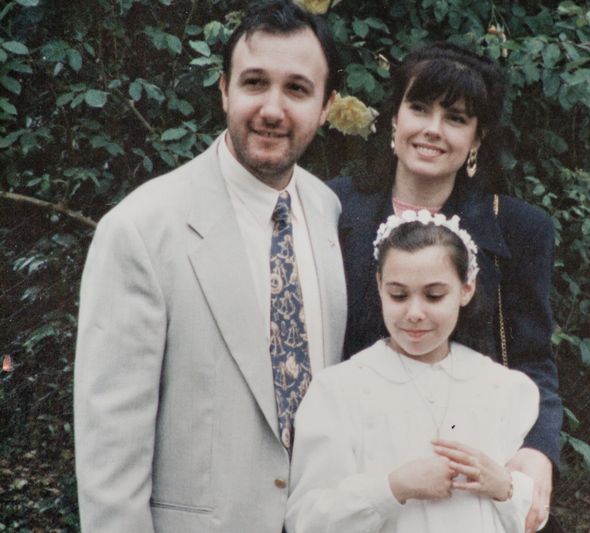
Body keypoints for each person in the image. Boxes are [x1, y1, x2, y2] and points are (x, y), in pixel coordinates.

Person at [73, 2, 346, 531]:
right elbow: (110, 457)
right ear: (224, 90)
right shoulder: (141, 231)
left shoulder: (326, 210)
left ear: (327, 105)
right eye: (254, 83)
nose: (272, 109)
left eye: (296, 89)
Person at [328, 41, 562, 532]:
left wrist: (538, 448)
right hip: (355, 464)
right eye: (418, 108)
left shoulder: (520, 230)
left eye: (455, 118)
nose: (432, 130)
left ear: (477, 139)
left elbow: (533, 359)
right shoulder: (332, 210)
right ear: (395, 119)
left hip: (462, 478)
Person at [286, 211, 541, 533]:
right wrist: (393, 488)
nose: (415, 313)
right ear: (379, 285)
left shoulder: (500, 387)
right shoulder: (339, 390)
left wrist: (505, 487)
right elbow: (307, 520)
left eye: (434, 296)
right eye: (399, 295)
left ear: (466, 289)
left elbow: (533, 515)